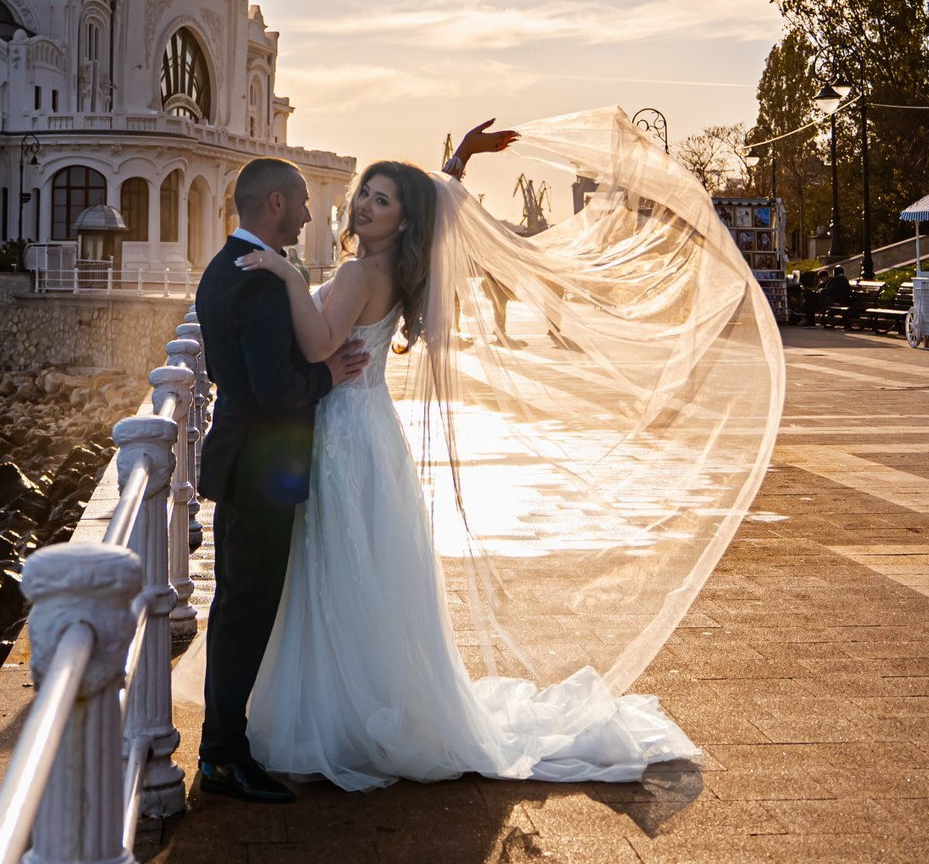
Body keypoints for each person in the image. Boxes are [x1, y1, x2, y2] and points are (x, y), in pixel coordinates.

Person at [222, 118, 723, 791]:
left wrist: (286, 276)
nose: (365, 205)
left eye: (381, 200)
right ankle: (361, 705)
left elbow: (316, 348)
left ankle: (344, 717)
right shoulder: (399, 268)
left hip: (342, 430)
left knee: (341, 569)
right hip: (372, 432)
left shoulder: (355, 271)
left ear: (400, 223)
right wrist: (456, 160)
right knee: (362, 570)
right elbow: (437, 208)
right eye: (366, 194)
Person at [192, 156, 371, 805]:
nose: (306, 213)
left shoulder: (221, 269)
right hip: (262, 461)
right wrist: (331, 377)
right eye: (298, 202)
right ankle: (222, 756)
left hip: (243, 455)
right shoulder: (260, 282)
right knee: (245, 609)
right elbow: (275, 388)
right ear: (272, 202)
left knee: (238, 603)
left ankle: (224, 744)